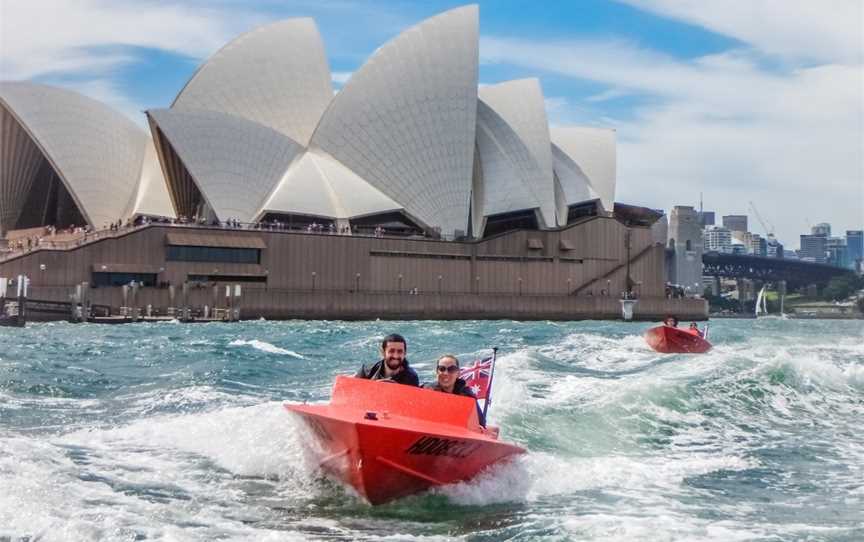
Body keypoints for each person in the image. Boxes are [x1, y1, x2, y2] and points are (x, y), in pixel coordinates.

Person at [424, 354, 486, 428]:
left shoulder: (467, 396)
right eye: (442, 369)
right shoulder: (426, 391)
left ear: (458, 373)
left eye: (451, 369)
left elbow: (481, 423)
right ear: (437, 372)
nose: (446, 373)